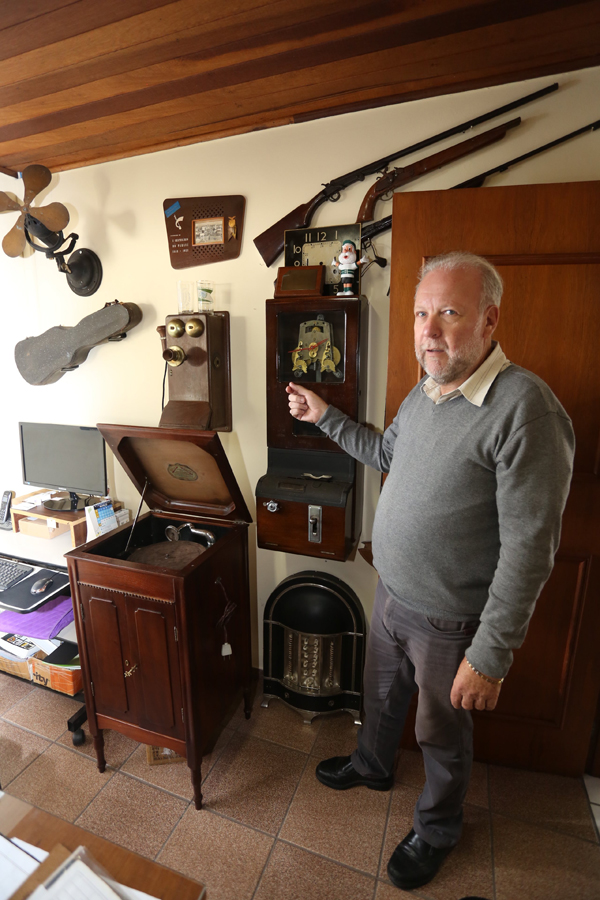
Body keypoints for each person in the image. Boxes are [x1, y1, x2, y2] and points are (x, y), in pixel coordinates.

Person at [286, 252, 574, 891]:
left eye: (449, 312)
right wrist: (324, 416)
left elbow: (531, 549)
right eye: (421, 314)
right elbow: (385, 453)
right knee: (381, 698)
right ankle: (372, 764)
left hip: (450, 618)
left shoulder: (527, 409)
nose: (429, 331)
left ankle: (438, 829)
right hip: (392, 593)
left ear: (489, 320)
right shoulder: (426, 391)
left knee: (439, 732)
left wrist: (490, 656)